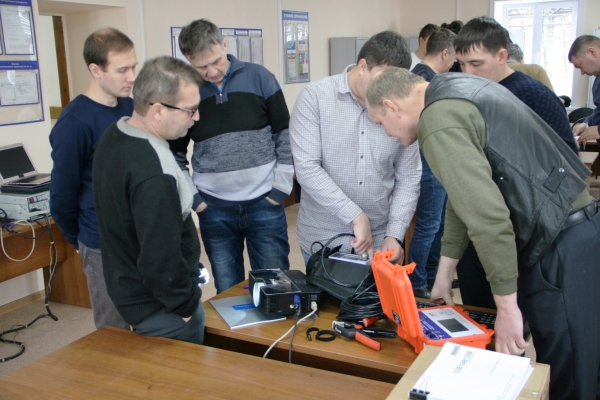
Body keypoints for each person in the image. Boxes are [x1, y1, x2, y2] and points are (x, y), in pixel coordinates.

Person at [366, 66, 600, 400]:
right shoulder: (454, 87)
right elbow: (463, 198)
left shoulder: (437, 120)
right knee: (576, 362)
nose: (387, 133)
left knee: (572, 376)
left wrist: (507, 308)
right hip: (573, 230)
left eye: (381, 123)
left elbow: (488, 218)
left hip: (560, 242)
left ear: (392, 106)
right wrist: (444, 275)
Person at [453, 16, 579, 308]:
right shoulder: (468, 94)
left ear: (501, 56)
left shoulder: (534, 95)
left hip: (524, 229)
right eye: (461, 64)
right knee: (477, 309)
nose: (467, 72)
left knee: (512, 313)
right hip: (481, 223)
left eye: (476, 64)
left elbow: (568, 163)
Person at [172, 19, 293, 293]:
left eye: (216, 61)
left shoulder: (260, 78)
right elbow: (174, 155)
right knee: (228, 292)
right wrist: (196, 201)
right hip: (213, 208)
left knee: (276, 288)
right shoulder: (184, 93)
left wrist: (280, 190)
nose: (212, 72)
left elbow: (284, 134)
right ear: (188, 59)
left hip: (265, 201)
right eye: (201, 67)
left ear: (225, 44)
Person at [93, 56, 206, 345]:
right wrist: (185, 306)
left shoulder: (116, 132)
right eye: (190, 110)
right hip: (162, 309)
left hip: (131, 291)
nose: (196, 118)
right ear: (157, 110)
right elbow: (160, 257)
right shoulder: (155, 172)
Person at [290, 31, 420, 266]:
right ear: (362, 66)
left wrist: (394, 233)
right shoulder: (315, 97)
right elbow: (307, 169)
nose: (386, 91)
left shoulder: (400, 108)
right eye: (380, 79)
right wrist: (356, 216)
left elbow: (409, 177)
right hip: (322, 240)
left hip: (379, 242)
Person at [49, 28, 136, 330]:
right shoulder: (74, 122)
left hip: (138, 234)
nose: (131, 77)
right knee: (115, 329)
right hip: (101, 241)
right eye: (122, 70)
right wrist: (80, 239)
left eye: (133, 67)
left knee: (148, 322)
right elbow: (62, 195)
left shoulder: (130, 107)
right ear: (96, 70)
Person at [408, 28, 456, 297]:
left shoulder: (426, 77)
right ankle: (417, 283)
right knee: (429, 225)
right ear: (445, 53)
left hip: (436, 162)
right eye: (454, 56)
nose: (455, 62)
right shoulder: (425, 81)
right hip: (428, 162)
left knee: (437, 225)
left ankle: (431, 275)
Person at [569, 35, 600, 146]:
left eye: (580, 66)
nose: (582, 72)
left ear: (592, 52)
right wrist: (587, 123)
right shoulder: (598, 79)